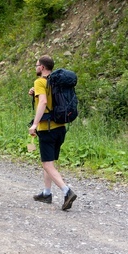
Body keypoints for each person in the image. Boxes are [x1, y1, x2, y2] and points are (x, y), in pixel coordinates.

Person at [29, 55, 77, 211]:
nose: (36, 67)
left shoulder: (40, 82)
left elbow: (43, 102)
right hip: (60, 127)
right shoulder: (56, 83)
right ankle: (47, 193)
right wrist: (34, 92)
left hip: (47, 128)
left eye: (37, 65)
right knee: (49, 162)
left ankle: (67, 191)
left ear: (42, 67)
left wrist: (35, 124)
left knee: (47, 164)